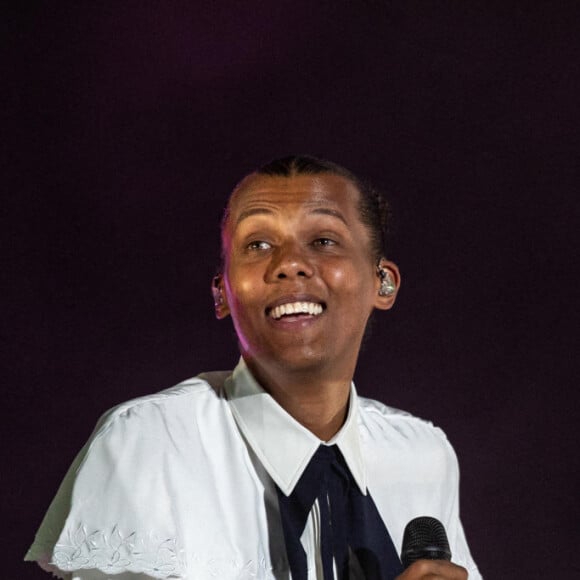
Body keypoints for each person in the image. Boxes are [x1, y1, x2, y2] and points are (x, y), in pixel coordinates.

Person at [25, 155, 481, 579]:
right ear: (222, 292)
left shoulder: (423, 454)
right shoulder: (149, 443)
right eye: (258, 244)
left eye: (323, 240)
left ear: (383, 282)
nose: (290, 264)